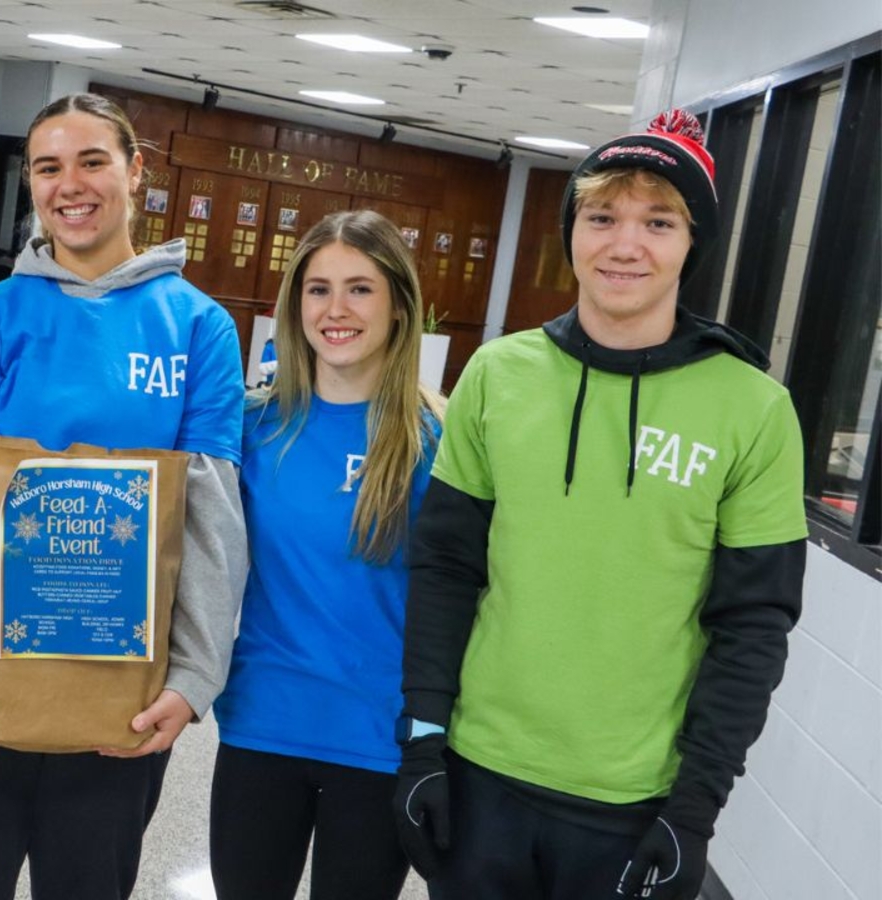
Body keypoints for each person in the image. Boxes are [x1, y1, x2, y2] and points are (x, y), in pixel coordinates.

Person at [395, 109, 808, 900]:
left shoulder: (753, 408)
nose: (625, 244)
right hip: (481, 778)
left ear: (693, 242)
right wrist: (422, 744)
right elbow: (445, 569)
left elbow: (753, 626)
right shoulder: (497, 374)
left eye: (658, 221)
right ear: (572, 232)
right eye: (602, 216)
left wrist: (694, 813)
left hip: (634, 801)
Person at [0, 92, 247, 900]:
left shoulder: (197, 327)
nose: (69, 185)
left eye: (93, 161)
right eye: (49, 167)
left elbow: (212, 520)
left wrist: (193, 681)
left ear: (136, 172)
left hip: (116, 710)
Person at [210, 210, 443, 900]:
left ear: (400, 307)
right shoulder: (252, 425)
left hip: (378, 742)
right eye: (317, 289)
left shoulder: (438, 441)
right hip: (262, 727)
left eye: (360, 289)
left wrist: (434, 738)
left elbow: (459, 608)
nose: (335, 310)